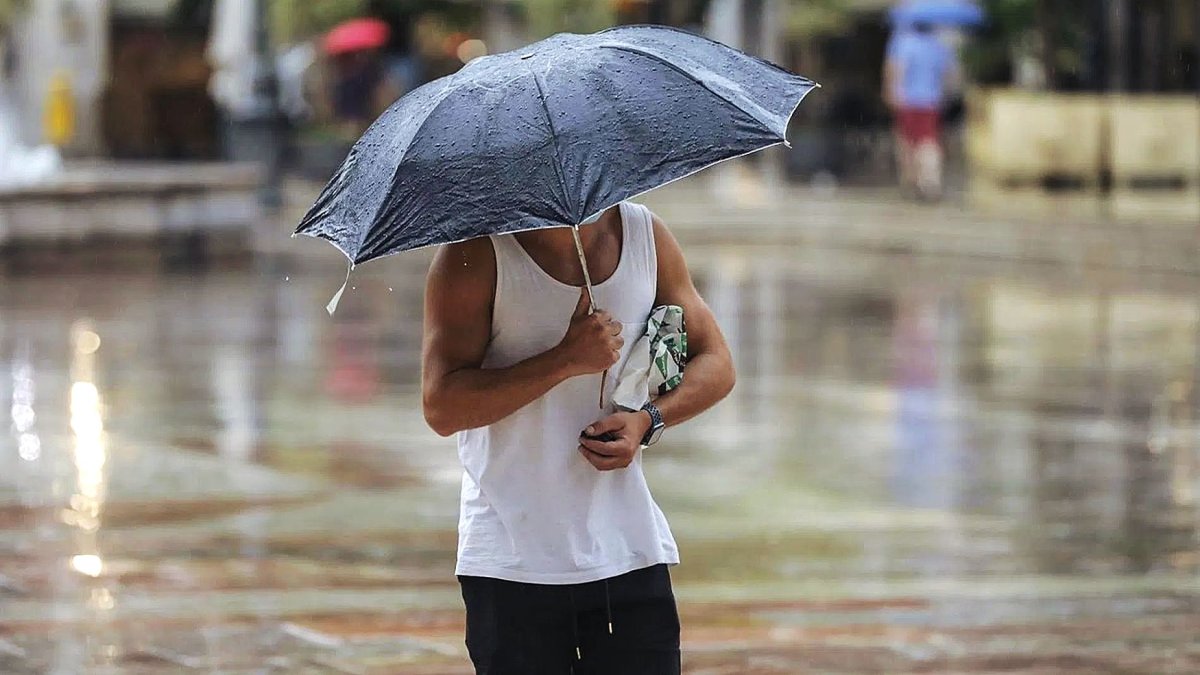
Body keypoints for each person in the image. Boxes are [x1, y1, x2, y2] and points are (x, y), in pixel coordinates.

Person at [421, 202, 736, 673]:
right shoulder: (475, 254)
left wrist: (648, 420)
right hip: (512, 559)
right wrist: (564, 360)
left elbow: (716, 361)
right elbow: (441, 405)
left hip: (628, 549)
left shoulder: (645, 236)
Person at [884, 22, 958, 200]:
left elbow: (895, 70)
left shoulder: (901, 43)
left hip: (907, 101)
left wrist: (891, 92)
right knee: (929, 142)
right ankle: (931, 181)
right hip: (931, 101)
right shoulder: (940, 46)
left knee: (907, 142)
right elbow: (950, 75)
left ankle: (911, 180)